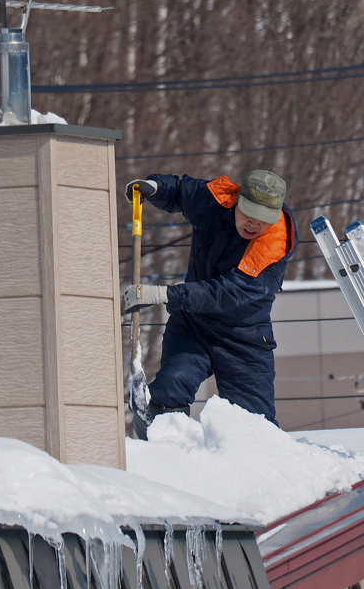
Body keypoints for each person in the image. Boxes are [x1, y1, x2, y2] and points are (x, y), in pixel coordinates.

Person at [122, 169, 297, 439]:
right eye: (248, 214)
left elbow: (225, 294)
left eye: (262, 220)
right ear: (237, 201)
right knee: (172, 386)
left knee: (256, 427)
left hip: (244, 339)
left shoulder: (273, 245)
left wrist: (165, 295)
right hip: (194, 325)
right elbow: (181, 191)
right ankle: (167, 450)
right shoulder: (216, 201)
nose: (253, 224)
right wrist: (155, 187)